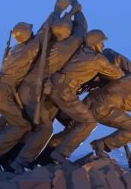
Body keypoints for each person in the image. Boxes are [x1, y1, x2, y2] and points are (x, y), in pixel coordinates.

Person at [0, 0, 70, 170]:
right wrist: (57, 10)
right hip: (2, 92)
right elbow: (44, 32)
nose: (33, 33)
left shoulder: (14, 49)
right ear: (28, 35)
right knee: (22, 125)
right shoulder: (29, 49)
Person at [48, 49, 131, 169]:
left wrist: (112, 71)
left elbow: (112, 53)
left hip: (92, 98)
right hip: (104, 109)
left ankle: (50, 146)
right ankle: (100, 145)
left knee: (76, 128)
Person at [10, 0, 88, 173]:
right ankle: (19, 163)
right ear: (67, 33)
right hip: (33, 92)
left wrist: (58, 11)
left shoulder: (43, 41)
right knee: (45, 128)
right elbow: (82, 31)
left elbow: (43, 29)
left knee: (38, 125)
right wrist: (77, 12)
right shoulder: (66, 46)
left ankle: (28, 158)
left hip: (30, 89)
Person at [48, 31, 124, 164]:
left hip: (56, 88)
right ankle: (60, 153)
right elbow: (116, 74)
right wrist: (119, 66)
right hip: (65, 92)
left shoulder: (81, 52)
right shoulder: (97, 58)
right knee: (89, 122)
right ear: (95, 43)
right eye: (101, 42)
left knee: (74, 124)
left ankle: (49, 149)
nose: (103, 44)